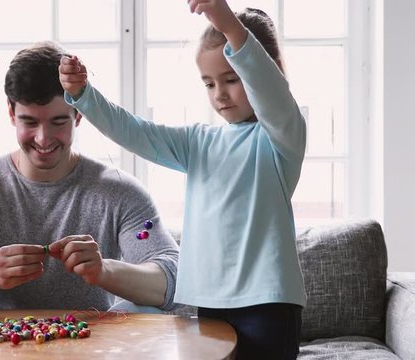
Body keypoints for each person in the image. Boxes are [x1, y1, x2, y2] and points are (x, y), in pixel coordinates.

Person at [59, 1, 305, 359]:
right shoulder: (199, 142)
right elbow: (135, 132)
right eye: (209, 83)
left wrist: (225, 20)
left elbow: (271, 90)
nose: (219, 93)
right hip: (209, 301)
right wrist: (84, 96)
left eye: (231, 79)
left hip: (268, 302)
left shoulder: (282, 136)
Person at [0, 41, 179, 312]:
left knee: (145, 311)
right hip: (0, 348)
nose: (43, 139)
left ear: (78, 115)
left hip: (95, 348)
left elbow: (173, 279)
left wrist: (105, 271)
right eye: (30, 122)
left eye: (58, 122)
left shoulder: (120, 192)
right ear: (11, 113)